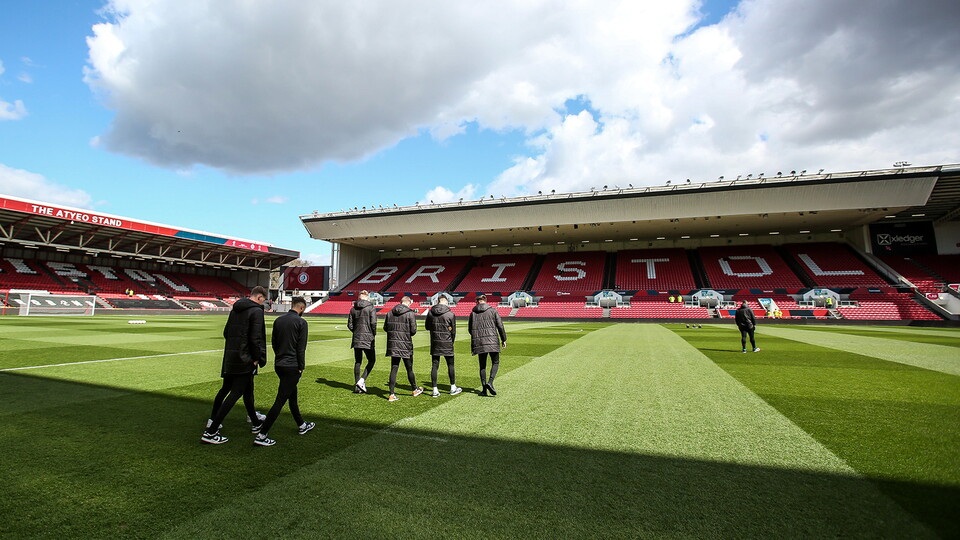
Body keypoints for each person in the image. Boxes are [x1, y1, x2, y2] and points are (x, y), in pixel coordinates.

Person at [202, 286, 268, 444]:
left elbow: (226, 332)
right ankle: (211, 432)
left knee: (239, 389)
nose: (263, 304)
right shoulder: (257, 311)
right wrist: (257, 358)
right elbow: (255, 338)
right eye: (264, 300)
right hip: (245, 359)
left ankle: (254, 422)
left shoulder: (235, 309)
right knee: (237, 392)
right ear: (259, 297)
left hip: (231, 356)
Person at [254, 297, 316, 446]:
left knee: (291, 395)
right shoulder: (301, 322)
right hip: (292, 366)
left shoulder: (278, 320)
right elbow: (301, 348)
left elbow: (274, 343)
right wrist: (301, 367)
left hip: (279, 364)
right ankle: (262, 434)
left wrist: (280, 357)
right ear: (301, 308)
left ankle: (301, 425)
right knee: (280, 400)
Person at [384, 296, 423, 402]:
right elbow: (413, 331)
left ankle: (391, 394)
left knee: (394, 368)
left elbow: (385, 328)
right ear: (409, 303)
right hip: (405, 344)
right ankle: (414, 389)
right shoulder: (410, 313)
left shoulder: (389, 313)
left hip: (393, 344)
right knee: (409, 368)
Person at [468, 295, 507, 396]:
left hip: (479, 342)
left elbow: (470, 329)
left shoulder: (473, 313)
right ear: (485, 301)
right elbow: (500, 326)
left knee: (482, 366)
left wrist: (477, 336)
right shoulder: (493, 311)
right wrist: (503, 339)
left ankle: (484, 390)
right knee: (495, 362)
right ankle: (490, 382)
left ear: (477, 302)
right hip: (492, 340)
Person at [425, 296, 462, 397]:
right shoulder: (450, 314)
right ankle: (452, 387)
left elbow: (427, 327)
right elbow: (453, 331)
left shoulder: (431, 312)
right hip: (447, 342)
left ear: (438, 302)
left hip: (435, 342)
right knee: (450, 365)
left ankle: (435, 390)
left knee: (435, 365)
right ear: (446, 302)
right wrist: (451, 341)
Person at [347, 290, 378, 394]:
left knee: (358, 361)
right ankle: (361, 380)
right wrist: (372, 333)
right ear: (367, 297)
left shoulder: (353, 309)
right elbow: (373, 323)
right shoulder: (371, 308)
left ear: (359, 297)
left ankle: (357, 385)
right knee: (372, 360)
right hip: (368, 338)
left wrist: (356, 332)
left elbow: (350, 325)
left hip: (357, 338)